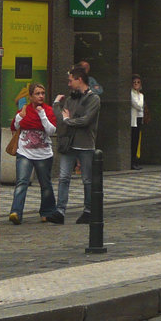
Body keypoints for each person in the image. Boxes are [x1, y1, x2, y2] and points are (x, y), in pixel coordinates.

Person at [9, 82, 62, 225]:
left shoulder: (48, 110)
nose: (41, 96)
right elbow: (14, 126)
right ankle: (16, 212)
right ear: (31, 96)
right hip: (25, 152)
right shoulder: (24, 109)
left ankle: (47, 212)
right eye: (37, 94)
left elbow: (51, 130)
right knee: (22, 182)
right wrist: (20, 116)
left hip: (43, 154)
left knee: (45, 184)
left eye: (42, 93)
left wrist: (42, 115)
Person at [55, 64, 102, 224]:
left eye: (70, 81)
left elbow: (86, 120)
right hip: (69, 143)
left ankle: (88, 210)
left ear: (79, 80)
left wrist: (69, 120)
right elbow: (63, 118)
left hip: (86, 143)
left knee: (87, 179)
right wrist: (62, 113)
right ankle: (60, 210)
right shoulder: (70, 99)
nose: (69, 84)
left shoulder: (93, 98)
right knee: (63, 177)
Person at [129, 74, 144, 170]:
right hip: (133, 120)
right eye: (134, 82)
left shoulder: (141, 95)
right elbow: (138, 105)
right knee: (133, 140)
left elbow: (141, 106)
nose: (136, 84)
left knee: (137, 140)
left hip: (139, 118)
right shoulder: (131, 93)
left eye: (138, 82)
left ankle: (136, 161)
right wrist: (139, 104)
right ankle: (131, 162)